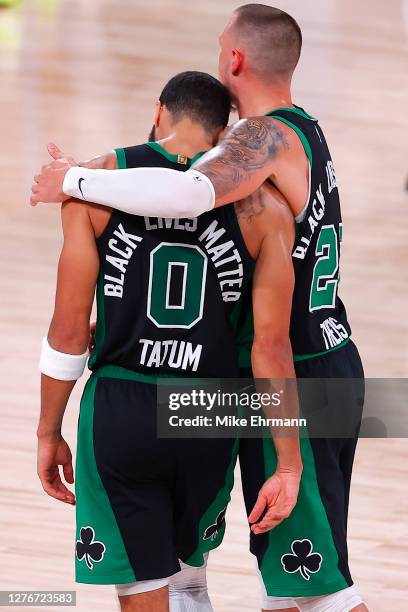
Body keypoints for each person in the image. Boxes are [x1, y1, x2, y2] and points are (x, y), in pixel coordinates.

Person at [31, 4, 368, 610]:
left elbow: (188, 191)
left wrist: (75, 179)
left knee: (317, 596)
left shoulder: (262, 137)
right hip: (322, 360)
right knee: (284, 594)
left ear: (234, 58)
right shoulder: (305, 130)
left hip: (290, 378)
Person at [36, 70, 301, 612]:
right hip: (208, 409)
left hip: (123, 404)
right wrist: (288, 459)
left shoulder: (90, 186)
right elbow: (270, 345)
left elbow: (67, 332)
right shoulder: (264, 208)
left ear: (159, 112)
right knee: (187, 580)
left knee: (143, 592)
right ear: (225, 134)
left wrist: (48, 430)